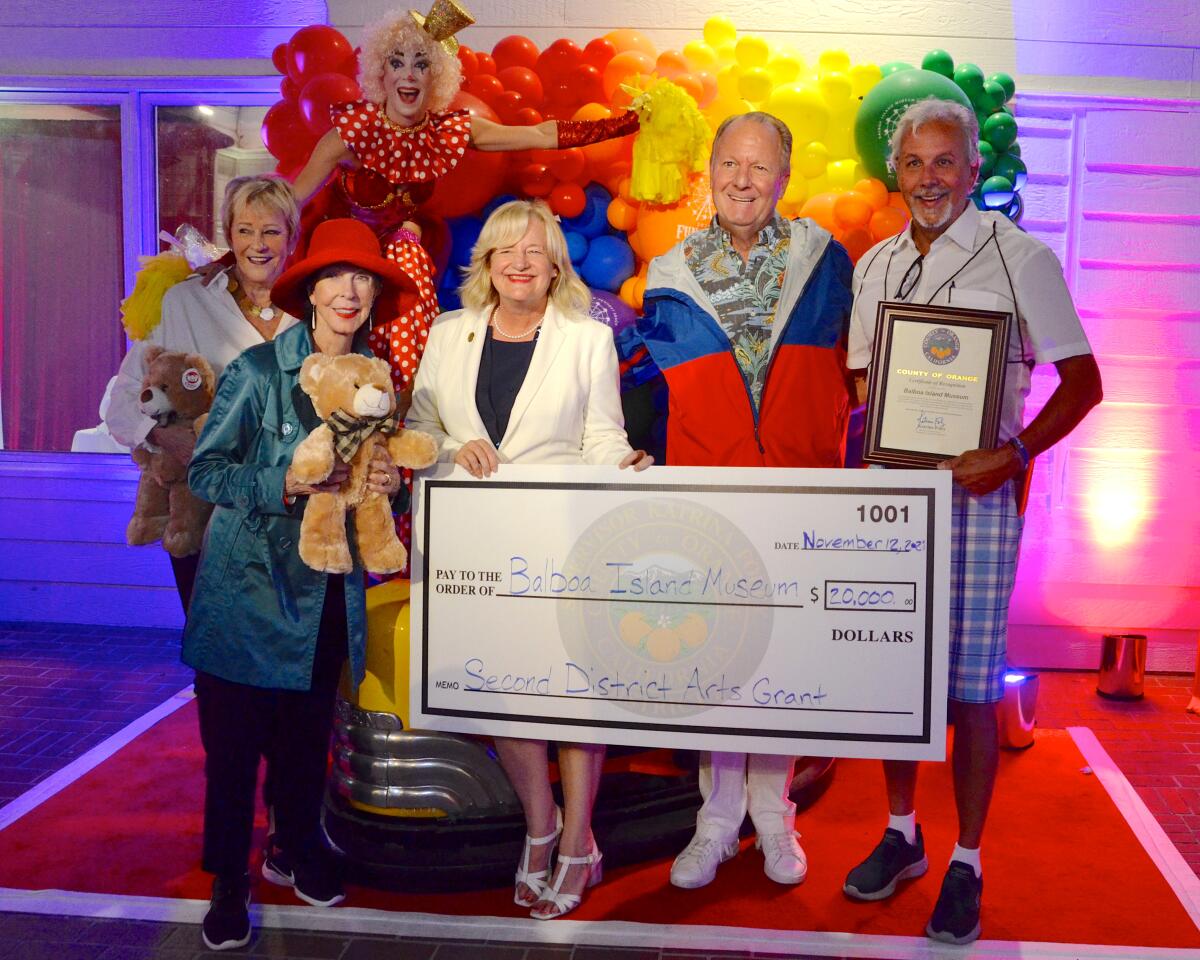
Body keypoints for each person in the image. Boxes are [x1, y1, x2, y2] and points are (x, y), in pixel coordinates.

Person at [842, 98, 1102, 945]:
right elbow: (858, 382)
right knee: (890, 677)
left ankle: (968, 859)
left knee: (972, 686)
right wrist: (886, 432)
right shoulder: (874, 265)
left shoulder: (1019, 257)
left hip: (979, 495)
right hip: (894, 497)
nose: (929, 179)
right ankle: (901, 832)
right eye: (914, 163)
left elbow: (1084, 382)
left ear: (974, 168)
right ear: (895, 174)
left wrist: (1015, 452)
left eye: (945, 161)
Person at [618, 112, 854, 889]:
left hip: (799, 485)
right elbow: (650, 387)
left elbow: (865, 369)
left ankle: (773, 813)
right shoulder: (670, 268)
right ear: (710, 171)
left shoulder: (827, 261)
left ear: (784, 178)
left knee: (781, 653)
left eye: (760, 167)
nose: (743, 180)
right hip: (708, 490)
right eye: (730, 164)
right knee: (715, 658)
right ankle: (716, 818)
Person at [406, 199, 652, 919]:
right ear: (484, 262)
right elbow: (419, 429)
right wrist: (455, 448)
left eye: (534, 252)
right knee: (506, 692)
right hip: (473, 545)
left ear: (555, 266)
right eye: (505, 250)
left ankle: (579, 841)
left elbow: (601, 438)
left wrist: (626, 468)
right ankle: (539, 829)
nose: (519, 263)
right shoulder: (448, 333)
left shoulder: (585, 339)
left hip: (560, 541)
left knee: (573, 694)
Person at [183, 219, 415, 950]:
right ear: (310, 290)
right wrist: (281, 478)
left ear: (374, 294)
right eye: (336, 277)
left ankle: (295, 850)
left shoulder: (379, 380)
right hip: (247, 595)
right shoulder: (257, 373)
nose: (349, 291)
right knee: (234, 750)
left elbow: (388, 491)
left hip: (327, 593)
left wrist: (393, 485)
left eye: (364, 278)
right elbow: (204, 472)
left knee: (305, 740)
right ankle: (229, 882)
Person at [291, 0, 640, 395]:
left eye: (421, 64)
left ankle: (405, 401)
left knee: (411, 264)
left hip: (401, 246)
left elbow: (538, 135)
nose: (409, 74)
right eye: (397, 62)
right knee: (338, 330)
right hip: (346, 250)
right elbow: (292, 198)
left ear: (435, 78)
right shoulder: (352, 132)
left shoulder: (446, 130)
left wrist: (620, 124)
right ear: (380, 73)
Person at [106, 174, 302, 611]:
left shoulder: (314, 306)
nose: (259, 244)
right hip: (204, 508)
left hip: (285, 505)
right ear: (228, 234)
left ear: (291, 236)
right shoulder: (186, 302)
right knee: (213, 646)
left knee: (280, 646)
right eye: (245, 230)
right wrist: (161, 435)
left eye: (272, 230)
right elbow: (121, 401)